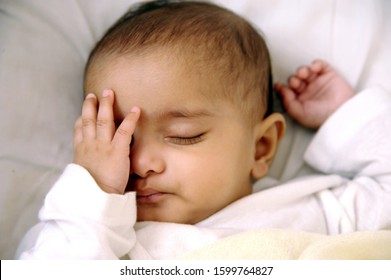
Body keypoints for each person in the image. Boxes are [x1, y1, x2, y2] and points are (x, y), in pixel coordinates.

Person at [17, 0, 391, 259]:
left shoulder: (311, 211)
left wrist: (344, 115)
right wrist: (93, 191)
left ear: (260, 148)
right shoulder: (110, 242)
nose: (140, 163)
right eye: (119, 138)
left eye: (183, 134)